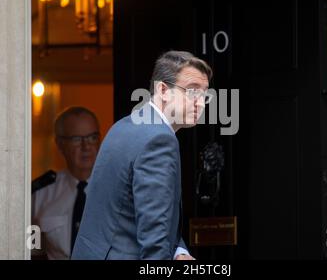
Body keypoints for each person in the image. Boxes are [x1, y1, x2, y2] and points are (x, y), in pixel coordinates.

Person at [71, 50, 213, 260]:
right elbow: (154, 240)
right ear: (163, 90)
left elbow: (130, 212)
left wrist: (178, 251)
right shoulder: (159, 140)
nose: (200, 103)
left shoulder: (124, 126)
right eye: (192, 92)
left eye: (204, 94)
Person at [31, 106, 101, 260]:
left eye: (92, 137)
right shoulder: (39, 196)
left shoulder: (119, 189)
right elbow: (32, 252)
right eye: (77, 139)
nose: (86, 147)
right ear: (60, 145)